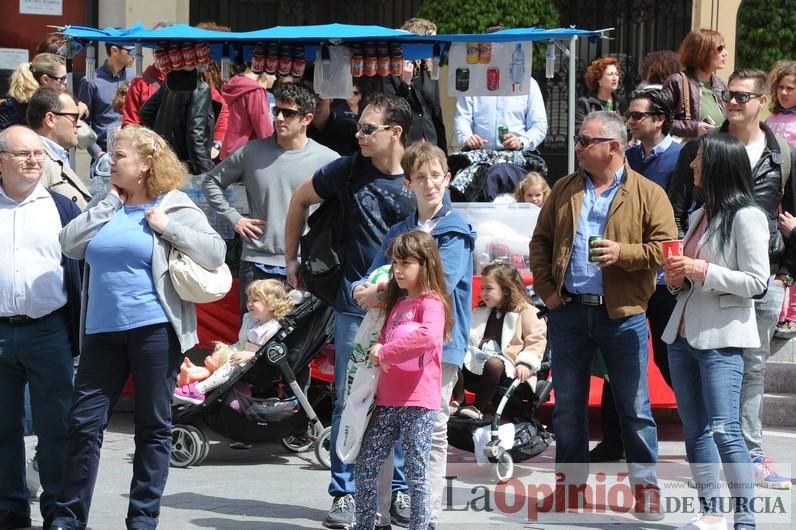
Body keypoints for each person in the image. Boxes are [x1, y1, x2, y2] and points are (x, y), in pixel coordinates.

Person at [50, 125, 226, 530]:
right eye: (111, 155)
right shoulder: (104, 203)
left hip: (153, 329)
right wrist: (109, 201)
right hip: (100, 332)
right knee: (83, 424)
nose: (111, 161)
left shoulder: (174, 203)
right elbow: (69, 243)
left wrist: (167, 227)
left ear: (147, 163)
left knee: (152, 426)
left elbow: (215, 251)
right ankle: (68, 517)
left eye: (120, 155)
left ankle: (143, 518)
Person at [529, 110, 677, 520]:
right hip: (570, 312)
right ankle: (570, 489)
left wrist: (622, 253)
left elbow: (667, 251)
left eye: (585, 140)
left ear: (614, 146)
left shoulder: (648, 193)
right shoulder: (563, 189)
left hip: (624, 316)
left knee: (635, 408)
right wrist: (548, 291)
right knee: (568, 409)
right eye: (577, 139)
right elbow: (540, 242)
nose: (577, 146)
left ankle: (646, 490)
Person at [284, 94, 416, 529]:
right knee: (348, 400)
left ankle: (396, 490)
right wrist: (291, 259)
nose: (357, 135)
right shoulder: (346, 170)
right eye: (358, 127)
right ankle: (344, 493)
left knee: (398, 403)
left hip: (406, 312)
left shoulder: (420, 174)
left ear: (394, 132)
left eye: (367, 129)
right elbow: (300, 200)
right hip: (355, 307)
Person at [668, 69, 796, 490]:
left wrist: (785, 273)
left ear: (762, 102)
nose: (734, 102)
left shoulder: (781, 153)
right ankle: (713, 472)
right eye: (730, 96)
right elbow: (679, 204)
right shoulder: (705, 148)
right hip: (703, 279)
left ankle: (752, 457)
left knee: (754, 369)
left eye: (743, 96)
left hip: (761, 275)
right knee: (705, 373)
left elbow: (791, 213)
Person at [352, 142, 475, 529]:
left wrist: (381, 291)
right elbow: (369, 277)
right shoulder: (399, 231)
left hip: (440, 346)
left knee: (432, 435)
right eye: (420, 177)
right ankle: (375, 515)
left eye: (435, 175)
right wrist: (362, 289)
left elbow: (440, 283)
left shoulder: (456, 230)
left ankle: (428, 518)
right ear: (408, 183)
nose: (429, 183)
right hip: (389, 349)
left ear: (447, 178)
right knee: (380, 434)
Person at [663, 133, 769, 530]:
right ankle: (711, 512)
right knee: (696, 432)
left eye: (699, 159)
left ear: (719, 166)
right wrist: (676, 277)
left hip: (722, 338)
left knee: (725, 430)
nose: (691, 165)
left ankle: (745, 521)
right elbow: (687, 283)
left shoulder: (747, 216)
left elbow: (757, 281)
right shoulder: (699, 214)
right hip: (684, 335)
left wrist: (702, 270)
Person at [590, 88, 684, 463]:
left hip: (663, 277)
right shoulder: (623, 158)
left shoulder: (680, 158)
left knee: (667, 358)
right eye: (628, 115)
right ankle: (614, 439)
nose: (630, 121)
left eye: (637, 115)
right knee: (616, 359)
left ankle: (701, 427)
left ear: (659, 120)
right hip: (623, 275)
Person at [0, 125, 82, 530]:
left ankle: (59, 511)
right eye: (22, 154)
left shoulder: (62, 209)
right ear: (1, 160)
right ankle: (10, 508)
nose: (34, 160)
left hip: (49, 332)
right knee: (2, 428)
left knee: (57, 429)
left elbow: (82, 272)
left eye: (38, 154)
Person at [202, 83, 339, 315]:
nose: (280, 118)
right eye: (276, 111)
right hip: (256, 261)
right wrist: (234, 218)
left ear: (307, 118)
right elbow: (210, 182)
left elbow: (341, 208)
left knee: (295, 346)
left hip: (304, 265)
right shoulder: (251, 152)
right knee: (252, 341)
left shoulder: (328, 159)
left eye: (289, 113)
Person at [353, 229, 452, 530]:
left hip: (418, 403)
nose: (397, 269)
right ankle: (365, 524)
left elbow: (428, 337)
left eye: (405, 263)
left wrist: (385, 352)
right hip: (386, 401)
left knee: (416, 473)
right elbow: (382, 340)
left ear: (426, 264)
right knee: (366, 465)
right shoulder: (397, 304)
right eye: (395, 263)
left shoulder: (431, 303)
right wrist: (377, 349)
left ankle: (421, 527)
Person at [174, 279, 293, 404]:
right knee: (218, 357)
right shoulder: (250, 320)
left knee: (231, 363)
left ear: (271, 304)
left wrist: (252, 355)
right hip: (242, 356)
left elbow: (269, 353)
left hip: (257, 364)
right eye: (249, 300)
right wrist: (226, 349)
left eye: (255, 300)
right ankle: (191, 377)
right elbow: (241, 343)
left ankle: (198, 390)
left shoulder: (273, 328)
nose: (249, 304)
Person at [452, 261, 546, 420]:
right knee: (454, 353)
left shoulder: (526, 311)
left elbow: (536, 341)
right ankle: (458, 400)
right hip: (479, 357)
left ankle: (477, 407)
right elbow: (469, 336)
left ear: (506, 289)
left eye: (489, 288)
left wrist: (525, 363)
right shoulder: (481, 311)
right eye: (482, 289)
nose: (483, 293)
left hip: (509, 364)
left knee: (494, 363)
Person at [379, 17, 447, 153]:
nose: (434, 45)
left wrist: (443, 152)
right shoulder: (393, 69)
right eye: (430, 40)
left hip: (430, 140)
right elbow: (391, 108)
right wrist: (405, 84)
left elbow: (436, 111)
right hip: (405, 141)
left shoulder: (429, 70)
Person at [26, 87, 92, 208]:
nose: (78, 124)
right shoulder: (37, 161)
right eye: (74, 117)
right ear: (50, 119)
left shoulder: (53, 154)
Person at [140, 71, 216, 174]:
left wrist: (163, 136)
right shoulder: (200, 88)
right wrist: (206, 172)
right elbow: (195, 133)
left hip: (165, 159)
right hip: (184, 167)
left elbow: (146, 112)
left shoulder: (171, 84)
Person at [768, 60, 796, 339]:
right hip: (774, 195)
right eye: (781, 87)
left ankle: (791, 315)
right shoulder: (771, 121)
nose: (784, 93)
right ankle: (777, 310)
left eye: (791, 88)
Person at [663, 29, 728, 140]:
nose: (725, 53)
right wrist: (693, 128)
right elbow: (660, 120)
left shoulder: (721, 84)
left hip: (717, 151)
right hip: (689, 153)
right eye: (719, 48)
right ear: (702, 52)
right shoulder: (677, 82)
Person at [78, 42, 135, 160]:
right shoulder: (90, 81)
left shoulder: (136, 78)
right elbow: (82, 122)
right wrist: (97, 153)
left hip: (132, 150)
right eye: (130, 51)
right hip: (103, 152)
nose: (134, 55)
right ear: (114, 50)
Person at [0, 53, 79, 131]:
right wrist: (78, 112)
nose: (66, 82)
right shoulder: (13, 108)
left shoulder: (49, 101)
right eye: (62, 78)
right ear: (45, 79)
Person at [220, 63, 274, 159]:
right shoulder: (255, 91)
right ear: (265, 72)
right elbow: (264, 129)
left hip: (228, 150)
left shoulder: (234, 85)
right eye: (273, 73)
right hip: (244, 155)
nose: (275, 78)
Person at [575, 56, 627, 132]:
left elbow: (626, 130)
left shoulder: (622, 103)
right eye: (610, 74)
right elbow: (579, 129)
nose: (615, 78)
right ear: (599, 79)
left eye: (616, 74)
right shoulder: (585, 103)